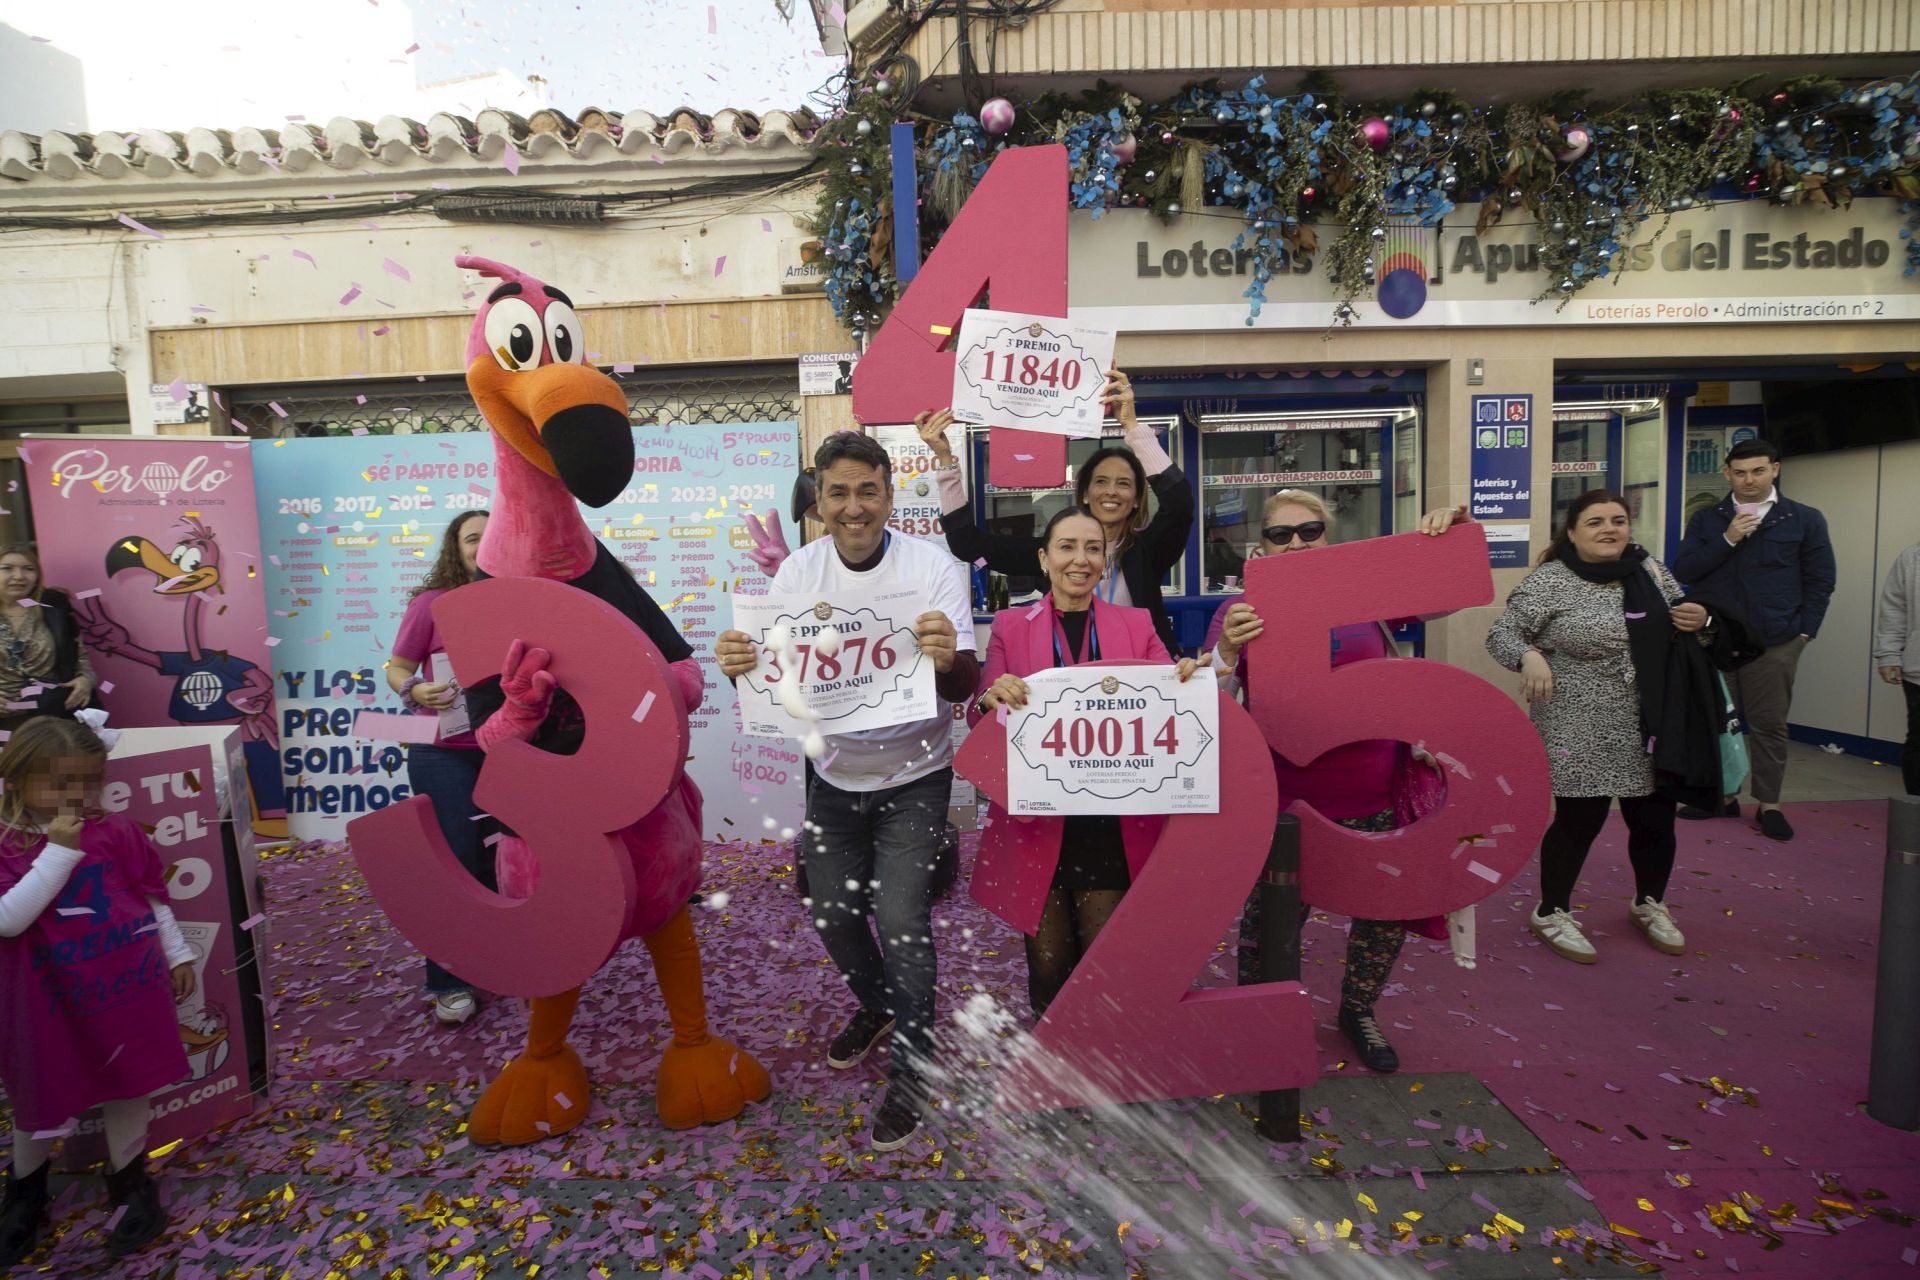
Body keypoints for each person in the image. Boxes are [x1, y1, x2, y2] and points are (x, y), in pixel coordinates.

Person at [715, 431, 979, 1152]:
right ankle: (882, 1005)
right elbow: (777, 681)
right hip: (831, 775)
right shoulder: (798, 572)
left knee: (900, 919)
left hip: (916, 776)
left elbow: (965, 685)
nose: (854, 506)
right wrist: (738, 665)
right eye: (839, 492)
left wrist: (949, 659)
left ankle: (913, 1067)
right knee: (831, 915)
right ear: (819, 502)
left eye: (868, 490)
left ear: (890, 496)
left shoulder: (930, 567)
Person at [1207, 489, 1468, 1073]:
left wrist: (1452, 531)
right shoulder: (1240, 612)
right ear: (1261, 547)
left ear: (1331, 538)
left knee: (1381, 918)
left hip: (1374, 797)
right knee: (1268, 928)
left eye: (1310, 530)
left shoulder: (1367, 600)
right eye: (1281, 534)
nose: (1297, 542)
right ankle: (1259, 1015)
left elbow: (1444, 597)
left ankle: (1358, 1010)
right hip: (1285, 805)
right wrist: (1225, 650)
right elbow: (1213, 705)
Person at [970, 506, 1201, 1018]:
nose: (1080, 559)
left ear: (1106, 559)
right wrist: (989, 700)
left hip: (1112, 821)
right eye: (1067, 547)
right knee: (1048, 965)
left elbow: (1172, 700)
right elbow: (979, 710)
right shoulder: (1010, 625)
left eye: (1092, 548)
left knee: (1102, 960)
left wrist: (1186, 677)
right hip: (1037, 820)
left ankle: (1101, 1065)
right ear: (1044, 558)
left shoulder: (1136, 623)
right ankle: (1056, 1070)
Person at [1488, 490, 1717, 966]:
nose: (1610, 529)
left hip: (1650, 716)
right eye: (1595, 522)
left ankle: (1649, 902)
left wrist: (1702, 618)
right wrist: (1529, 655)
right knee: (1580, 819)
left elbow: (1686, 614)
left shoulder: (1649, 570)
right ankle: (1551, 911)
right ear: (1571, 532)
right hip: (1577, 718)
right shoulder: (1551, 581)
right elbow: (1502, 633)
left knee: (1654, 815)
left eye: (1618, 520)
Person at [0, 716, 196, 1264]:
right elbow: (9, 920)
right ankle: (25, 1195)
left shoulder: (116, 831)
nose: (75, 797)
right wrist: (59, 852)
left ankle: (129, 1180)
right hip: (43, 1000)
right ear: (15, 779)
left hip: (126, 986)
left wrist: (177, 951)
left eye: (86, 782)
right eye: (59, 785)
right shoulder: (7, 842)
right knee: (36, 1093)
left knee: (129, 1083)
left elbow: (151, 895)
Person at [916, 369, 1195, 655]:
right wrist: (946, 460)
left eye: (1123, 484)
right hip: (1067, 678)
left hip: (1140, 677)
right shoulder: (1051, 551)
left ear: (1136, 499)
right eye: (1101, 482)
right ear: (1085, 494)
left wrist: (1132, 427)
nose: (1111, 491)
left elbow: (1180, 504)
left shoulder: (1148, 549)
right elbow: (967, 544)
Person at [1672, 439, 1836, 840]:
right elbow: (1686, 569)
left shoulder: (1804, 519)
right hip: (1715, 637)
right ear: (1727, 473)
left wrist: (1804, 633)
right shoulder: (1708, 520)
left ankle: (1769, 804)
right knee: (1716, 722)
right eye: (1740, 472)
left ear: (1775, 470)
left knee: (1768, 725)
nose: (1749, 480)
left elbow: (1820, 581)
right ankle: (1723, 796)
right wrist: (1728, 538)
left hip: (1775, 640)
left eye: (1758, 471)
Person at [386, 510, 496, 1026]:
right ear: (455, 549)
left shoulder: (518, 602)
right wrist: (415, 690)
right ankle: (448, 980)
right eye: (473, 538)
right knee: (456, 863)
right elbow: (398, 667)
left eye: (493, 536)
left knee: (508, 861)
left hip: (510, 754)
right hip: (442, 754)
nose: (484, 545)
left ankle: (505, 962)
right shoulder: (430, 604)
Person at [0, 544, 98, 732]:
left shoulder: (54, 606)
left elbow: (81, 657)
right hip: (4, 722)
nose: (19, 576)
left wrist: (85, 680)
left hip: (54, 717)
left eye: (29, 569)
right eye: (7, 568)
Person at [1875, 537, 1920, 796]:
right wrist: (1889, 654)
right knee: (1919, 740)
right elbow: (1894, 608)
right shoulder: (1912, 557)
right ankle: (1914, 813)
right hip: (1917, 670)